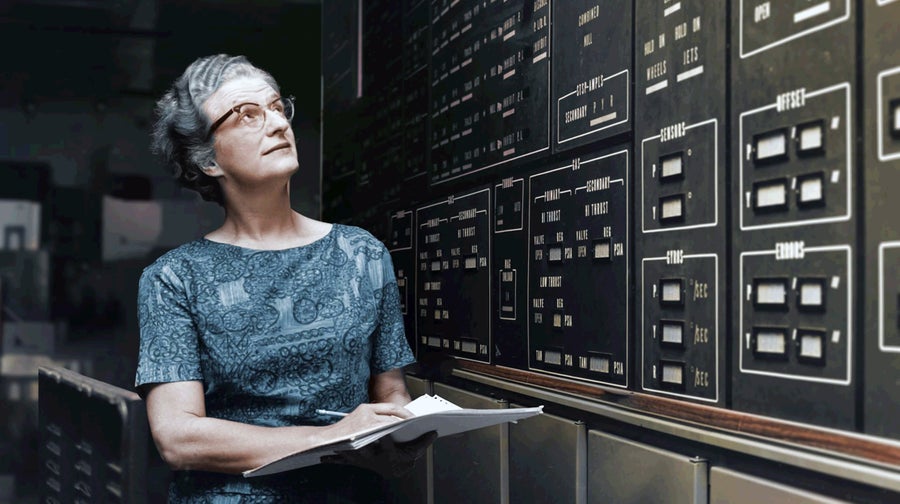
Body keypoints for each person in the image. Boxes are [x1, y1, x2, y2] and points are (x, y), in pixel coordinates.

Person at [135, 54, 432, 502]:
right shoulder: (175, 278)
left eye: (276, 107)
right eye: (247, 115)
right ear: (208, 160)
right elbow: (178, 437)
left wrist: (400, 440)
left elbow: (391, 393)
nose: (276, 124)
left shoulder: (362, 253)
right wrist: (334, 437)